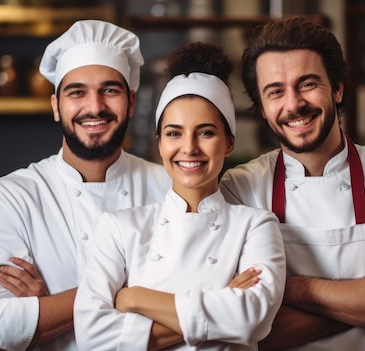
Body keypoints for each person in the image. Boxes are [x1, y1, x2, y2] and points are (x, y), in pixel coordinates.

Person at [219, 17, 365, 350]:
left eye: (307, 84)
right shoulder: (239, 188)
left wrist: (283, 287)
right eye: (275, 92)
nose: (293, 104)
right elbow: (250, 332)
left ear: (337, 88)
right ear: (263, 109)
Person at [0, 20, 171, 351]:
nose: (94, 106)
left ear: (131, 102)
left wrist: (50, 310)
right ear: (56, 106)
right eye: (77, 92)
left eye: (110, 90)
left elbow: (201, 296)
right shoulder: (9, 198)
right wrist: (132, 295)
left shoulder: (171, 188)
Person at [74, 42, 286, 350]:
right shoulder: (120, 228)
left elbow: (253, 319)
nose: (189, 148)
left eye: (205, 132)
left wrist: (136, 298)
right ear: (160, 144)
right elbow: (93, 338)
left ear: (228, 143)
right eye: (174, 133)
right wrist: (221, 301)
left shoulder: (256, 226)